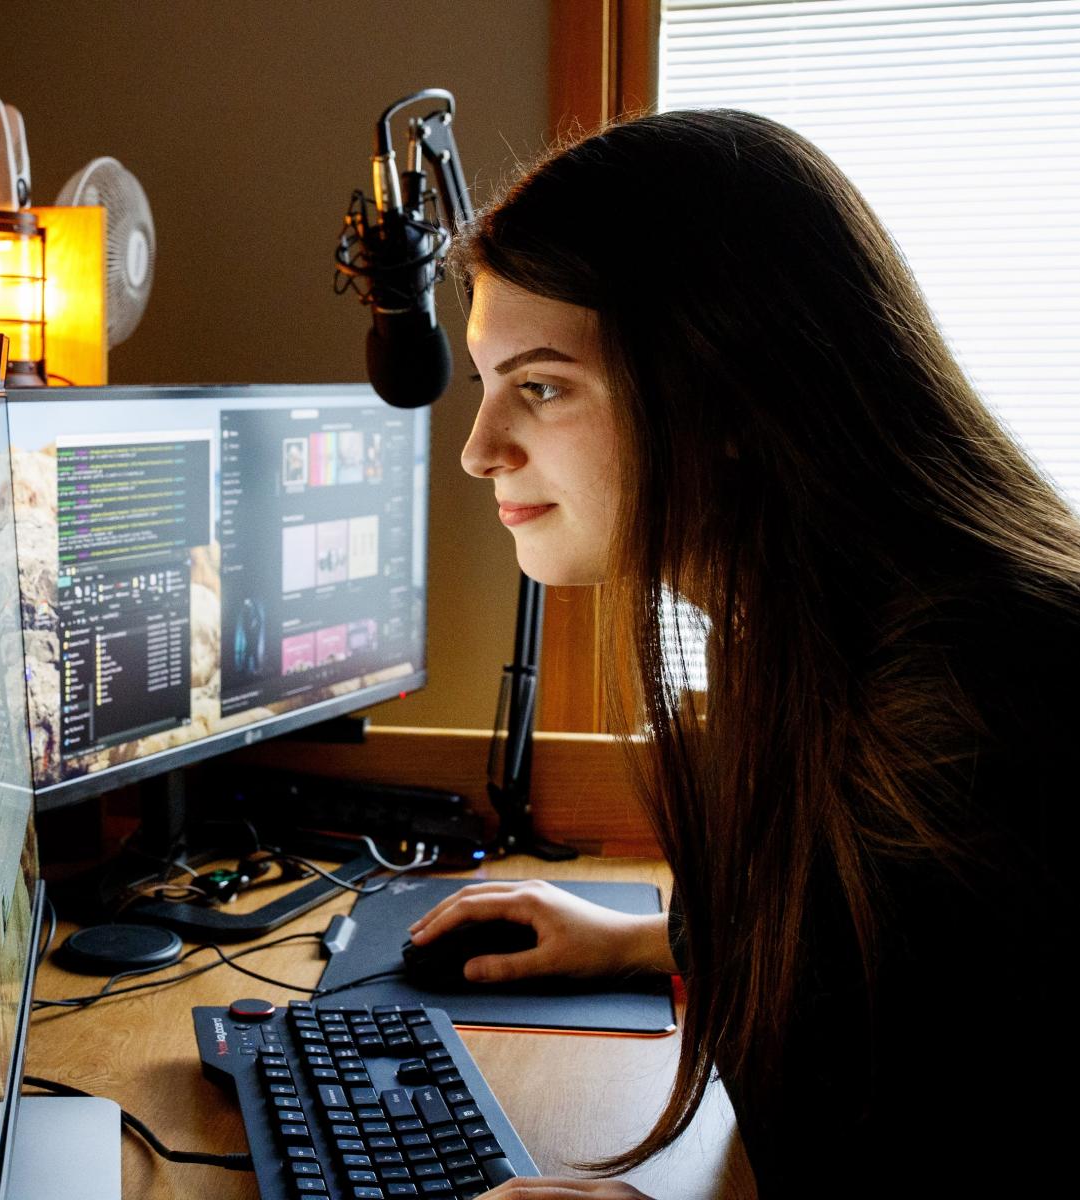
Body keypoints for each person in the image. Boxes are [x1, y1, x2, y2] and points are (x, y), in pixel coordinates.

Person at [408, 109, 1078, 1197]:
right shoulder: (819, 642)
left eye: (539, 386)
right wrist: (657, 940)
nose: (480, 451)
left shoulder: (977, 718)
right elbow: (880, 968)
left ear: (723, 386)